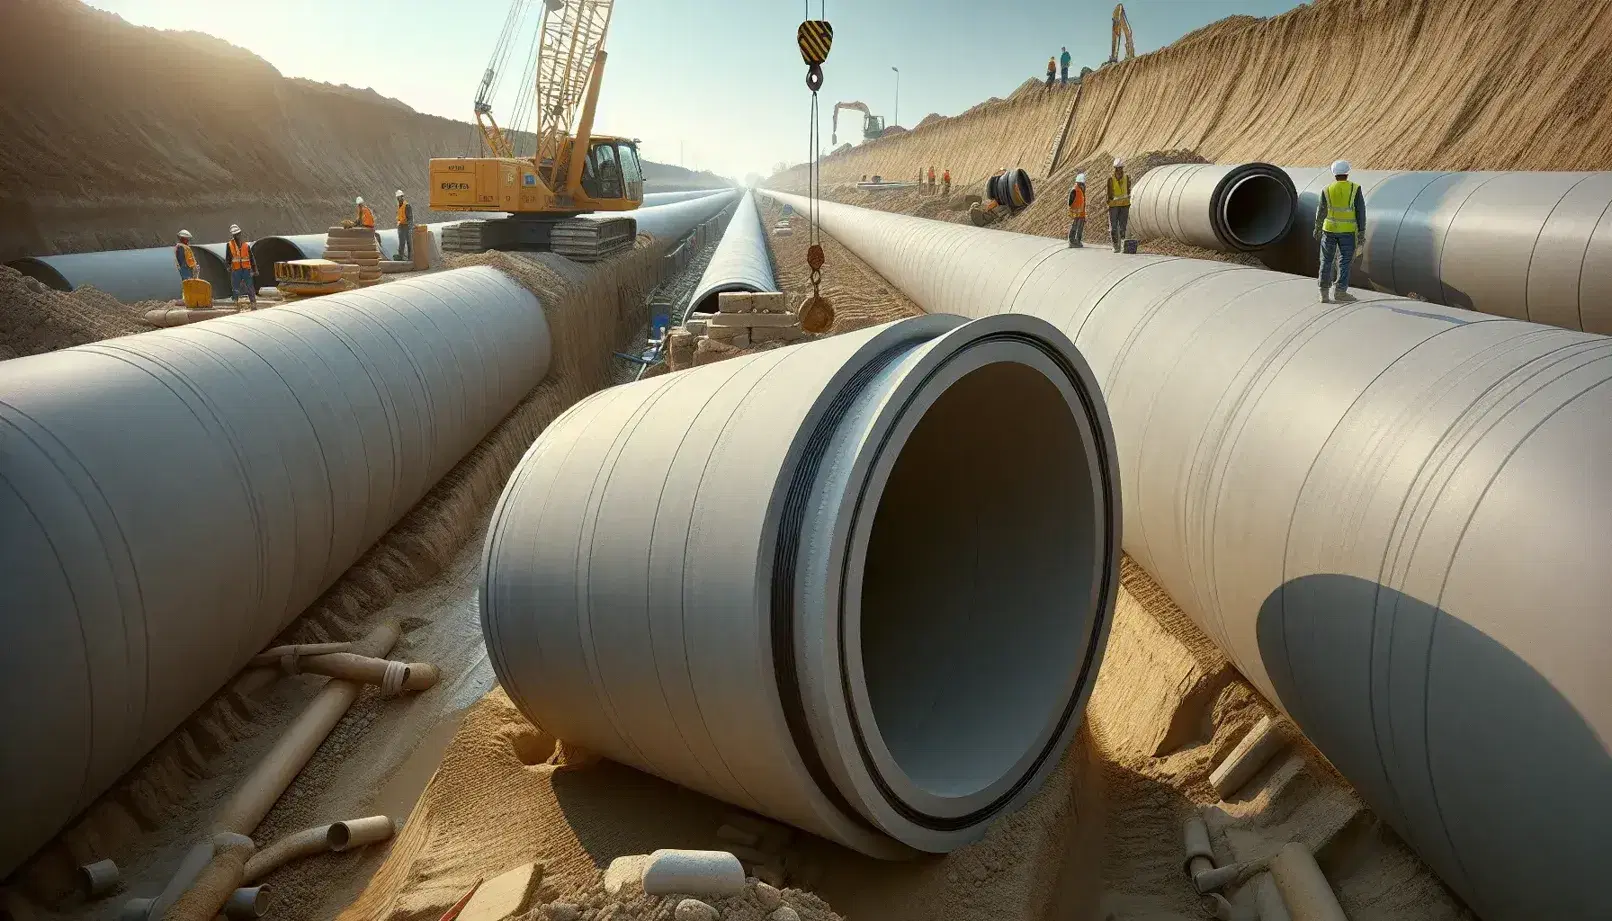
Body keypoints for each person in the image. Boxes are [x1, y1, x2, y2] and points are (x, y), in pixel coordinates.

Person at [1315, 159, 1366, 303]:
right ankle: (1340, 292)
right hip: (1347, 232)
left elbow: (1321, 211)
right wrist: (1361, 232)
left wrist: (1317, 227)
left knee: (1326, 261)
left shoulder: (1327, 189)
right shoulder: (1355, 188)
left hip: (1329, 230)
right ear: (1347, 173)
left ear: (1334, 174)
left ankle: (1323, 294)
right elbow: (1360, 211)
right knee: (1344, 262)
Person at [225, 224, 256, 306]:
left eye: (238, 234)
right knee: (235, 287)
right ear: (233, 235)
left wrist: (255, 270)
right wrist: (228, 266)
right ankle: (235, 302)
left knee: (250, 286)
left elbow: (251, 258)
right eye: (235, 235)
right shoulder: (230, 245)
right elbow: (228, 257)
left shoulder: (246, 245)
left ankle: (253, 302)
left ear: (240, 233)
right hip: (236, 270)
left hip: (246, 269)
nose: (237, 236)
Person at [1107, 159, 1131, 253]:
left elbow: (1128, 190)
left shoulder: (1126, 178)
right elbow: (1108, 192)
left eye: (1120, 168)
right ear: (1115, 169)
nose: (1119, 170)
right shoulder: (1110, 179)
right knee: (1113, 227)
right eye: (1117, 168)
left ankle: (1122, 245)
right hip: (1114, 206)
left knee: (1122, 226)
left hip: (1124, 204)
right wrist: (1109, 201)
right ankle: (1115, 245)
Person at [1067, 174, 1087, 248]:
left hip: (1081, 212)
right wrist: (1072, 211)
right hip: (1076, 213)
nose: (1082, 184)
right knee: (1074, 226)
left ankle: (1077, 241)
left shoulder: (1082, 189)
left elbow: (1082, 201)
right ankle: (1072, 241)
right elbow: (1070, 202)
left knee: (1080, 227)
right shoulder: (1075, 189)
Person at [395, 189, 414, 262]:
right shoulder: (399, 206)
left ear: (402, 197)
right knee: (401, 242)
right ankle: (400, 257)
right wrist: (398, 222)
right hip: (401, 226)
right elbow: (400, 216)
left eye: (400, 197)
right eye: (398, 198)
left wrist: (410, 228)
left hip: (406, 226)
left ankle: (410, 258)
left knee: (409, 242)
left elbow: (410, 218)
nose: (399, 199)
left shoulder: (407, 206)